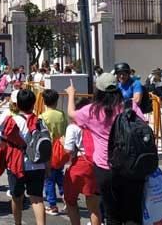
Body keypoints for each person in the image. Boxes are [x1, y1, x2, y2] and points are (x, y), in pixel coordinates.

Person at [65, 71, 146, 225]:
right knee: (133, 213)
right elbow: (143, 127)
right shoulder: (130, 106)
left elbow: (71, 114)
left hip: (105, 167)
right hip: (131, 166)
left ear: (99, 90)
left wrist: (71, 94)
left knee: (112, 214)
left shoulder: (92, 110)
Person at [0, 89, 46, 225]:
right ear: (33, 104)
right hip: (37, 163)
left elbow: (0, 143)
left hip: (16, 164)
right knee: (37, 199)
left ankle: (18, 223)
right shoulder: (39, 121)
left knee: (16, 197)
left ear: (17, 104)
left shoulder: (12, 121)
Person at [62, 97, 100, 225]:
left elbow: (68, 150)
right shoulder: (95, 123)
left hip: (79, 164)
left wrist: (62, 142)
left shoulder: (72, 127)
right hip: (95, 163)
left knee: (70, 200)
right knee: (94, 208)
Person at [39, 89, 67, 216]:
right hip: (60, 150)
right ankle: (67, 199)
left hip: (48, 151)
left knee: (49, 179)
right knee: (59, 176)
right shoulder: (61, 114)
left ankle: (52, 205)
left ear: (44, 101)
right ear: (57, 101)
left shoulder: (42, 117)